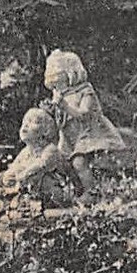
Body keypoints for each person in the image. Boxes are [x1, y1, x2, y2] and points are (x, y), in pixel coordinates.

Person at [41, 49, 127, 195]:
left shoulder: (85, 91)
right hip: (69, 138)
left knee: (79, 163)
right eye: (55, 85)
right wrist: (51, 110)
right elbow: (61, 120)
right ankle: (78, 190)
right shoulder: (62, 95)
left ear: (71, 75)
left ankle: (90, 192)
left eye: (59, 82)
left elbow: (84, 114)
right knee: (64, 164)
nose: (57, 89)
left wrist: (64, 106)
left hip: (89, 133)